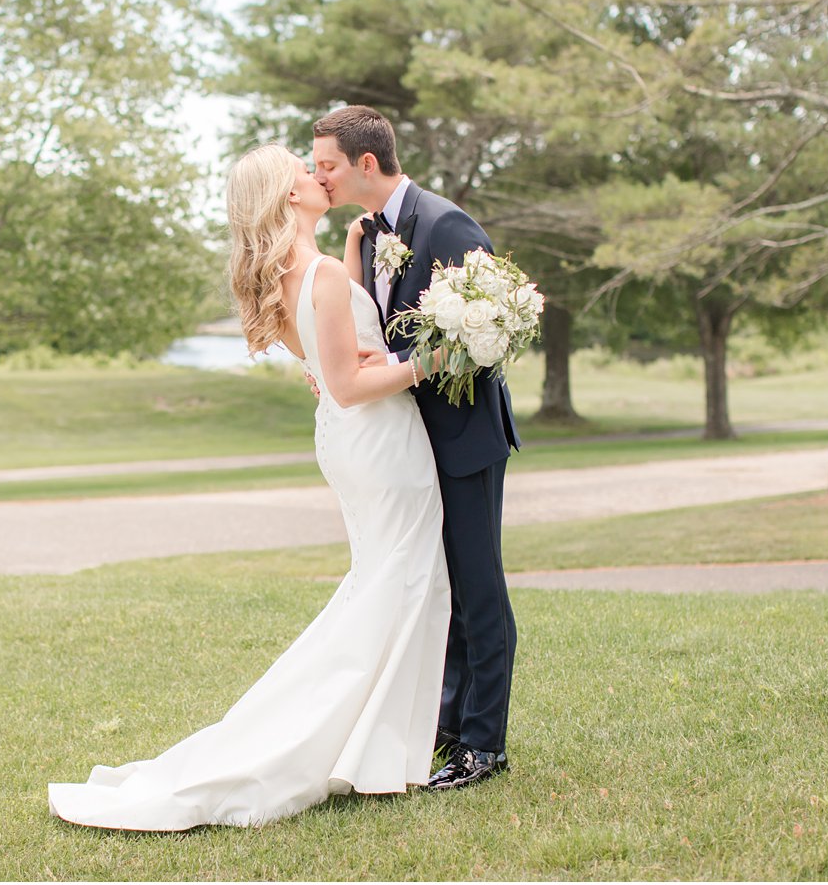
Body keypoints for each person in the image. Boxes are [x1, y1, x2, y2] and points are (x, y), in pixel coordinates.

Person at [47, 143, 451, 830]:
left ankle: (378, 744)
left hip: (354, 445)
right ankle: (349, 745)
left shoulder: (308, 270)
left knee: (392, 581)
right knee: (402, 583)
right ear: (289, 196)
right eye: (305, 170)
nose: (317, 174)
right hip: (378, 440)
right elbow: (351, 386)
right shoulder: (317, 275)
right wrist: (431, 360)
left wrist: (356, 248)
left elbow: (340, 340)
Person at [313, 105, 521, 791]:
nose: (322, 177)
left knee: (477, 589)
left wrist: (415, 366)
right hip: (408, 442)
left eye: (328, 167)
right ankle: (450, 730)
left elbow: (493, 329)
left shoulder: (444, 223)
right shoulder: (371, 236)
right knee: (439, 589)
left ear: (365, 163)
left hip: (462, 438)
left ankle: (485, 747)